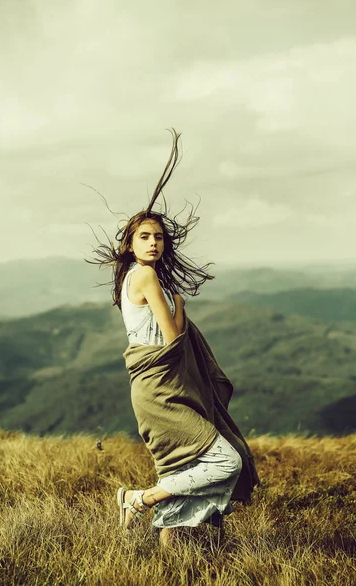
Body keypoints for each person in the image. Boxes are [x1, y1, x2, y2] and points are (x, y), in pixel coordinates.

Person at [86, 128, 260, 547]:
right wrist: (180, 308)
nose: (154, 243)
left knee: (185, 463)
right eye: (144, 237)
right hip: (160, 387)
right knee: (225, 460)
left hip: (152, 388)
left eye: (158, 237)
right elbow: (172, 337)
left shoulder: (134, 276)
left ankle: (176, 544)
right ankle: (138, 499)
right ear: (129, 244)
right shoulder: (144, 275)